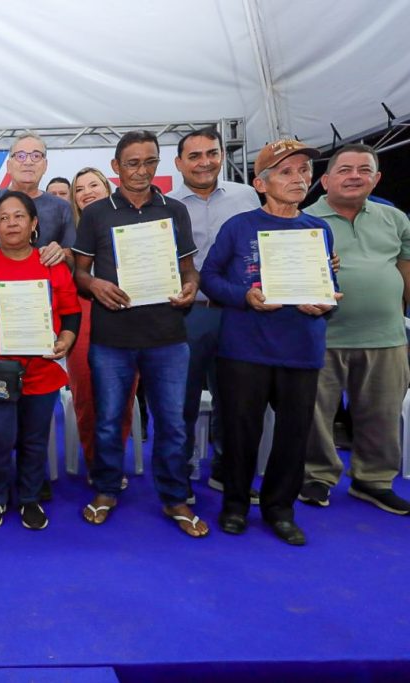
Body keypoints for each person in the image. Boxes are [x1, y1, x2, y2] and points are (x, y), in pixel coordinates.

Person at [201, 139, 338, 546]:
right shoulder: (239, 227)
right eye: (286, 172)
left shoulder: (318, 229)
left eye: (303, 171)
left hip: (301, 347)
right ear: (261, 184)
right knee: (241, 431)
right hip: (245, 348)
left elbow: (330, 289)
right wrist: (244, 296)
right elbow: (209, 277)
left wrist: (325, 305)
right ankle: (236, 505)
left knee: (295, 434)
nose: (298, 179)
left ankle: (280, 508)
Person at [72, 131, 206, 538]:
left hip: (167, 334)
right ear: (116, 167)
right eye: (132, 163)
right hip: (111, 337)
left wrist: (191, 286)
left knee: (172, 422)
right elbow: (80, 273)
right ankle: (107, 489)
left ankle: (175, 496)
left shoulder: (174, 210)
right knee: (110, 420)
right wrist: (95, 286)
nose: (141, 170)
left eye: (150, 162)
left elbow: (188, 268)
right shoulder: (96, 214)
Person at [0, 191, 81, 530]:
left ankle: (29, 499)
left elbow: (70, 313)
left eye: (19, 216)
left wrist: (66, 340)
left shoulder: (51, 264)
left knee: (35, 438)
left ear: (34, 223)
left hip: (42, 369)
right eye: (4, 218)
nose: (11, 223)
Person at [300, 144, 410, 514]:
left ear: (376, 178)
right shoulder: (303, 220)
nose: (354, 176)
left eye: (364, 169)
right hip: (322, 335)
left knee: (382, 411)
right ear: (326, 180)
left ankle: (373, 480)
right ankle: (317, 476)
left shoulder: (396, 220)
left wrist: (399, 314)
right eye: (345, 169)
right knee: (316, 413)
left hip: (385, 335)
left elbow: (405, 273)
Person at [167, 128, 261, 499]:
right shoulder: (166, 203)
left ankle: (226, 472)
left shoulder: (247, 196)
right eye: (194, 156)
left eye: (211, 153)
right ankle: (181, 471)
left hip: (239, 314)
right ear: (179, 163)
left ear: (222, 155)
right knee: (180, 399)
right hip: (186, 314)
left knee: (235, 399)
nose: (204, 162)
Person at [65, 167, 136, 488]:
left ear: (109, 189)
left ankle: (113, 461)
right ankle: (96, 463)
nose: (87, 191)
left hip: (125, 319)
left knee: (121, 396)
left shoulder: (131, 231)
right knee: (86, 397)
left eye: (94, 185)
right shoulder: (67, 245)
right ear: (74, 200)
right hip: (82, 321)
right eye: (79, 188)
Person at [0, 132, 75, 267]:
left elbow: (74, 260)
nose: (28, 162)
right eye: (20, 156)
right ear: (8, 166)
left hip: (43, 285)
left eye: (36, 156)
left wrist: (61, 254)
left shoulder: (62, 207)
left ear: (45, 165)